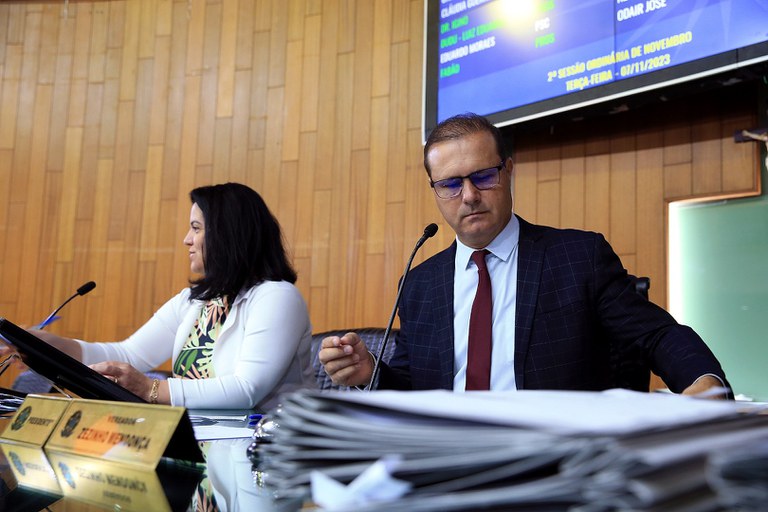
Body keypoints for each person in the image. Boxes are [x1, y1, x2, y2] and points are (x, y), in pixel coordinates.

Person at [319, 113, 729, 397]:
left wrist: (704, 380)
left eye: (483, 176)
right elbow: (416, 387)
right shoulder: (419, 284)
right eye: (450, 184)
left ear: (508, 171)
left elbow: (656, 335)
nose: (469, 196)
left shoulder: (577, 257)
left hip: (553, 460)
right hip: (448, 460)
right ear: (435, 191)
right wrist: (370, 372)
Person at [30, 183, 314, 409]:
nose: (186, 239)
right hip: (200, 444)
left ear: (228, 235)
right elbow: (128, 354)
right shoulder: (193, 301)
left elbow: (246, 389)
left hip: (268, 451)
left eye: (196, 228)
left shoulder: (277, 297)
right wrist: (47, 345)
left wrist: (150, 389)